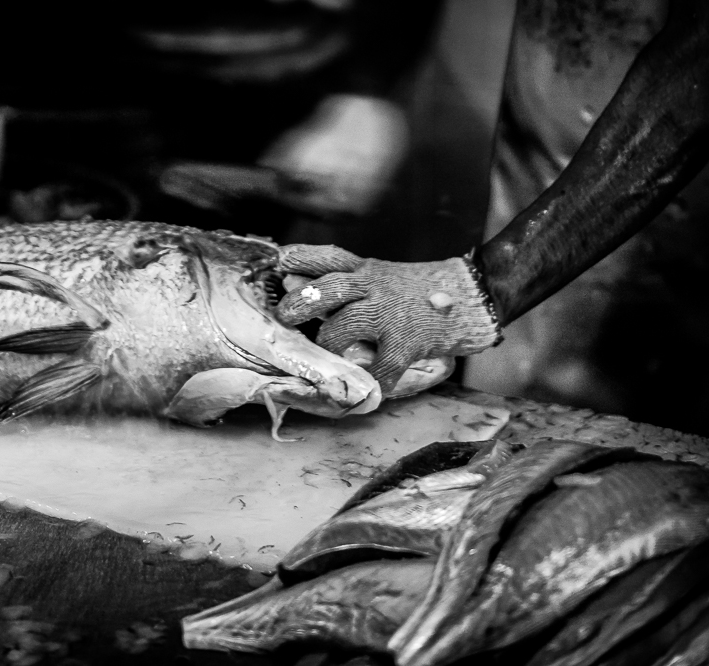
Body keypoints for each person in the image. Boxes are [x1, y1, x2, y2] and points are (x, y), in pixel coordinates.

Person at [275, 0, 709, 433]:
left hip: (678, 191)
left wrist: (486, 287)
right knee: (510, 408)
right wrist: (367, 85)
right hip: (543, 122)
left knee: (631, 416)